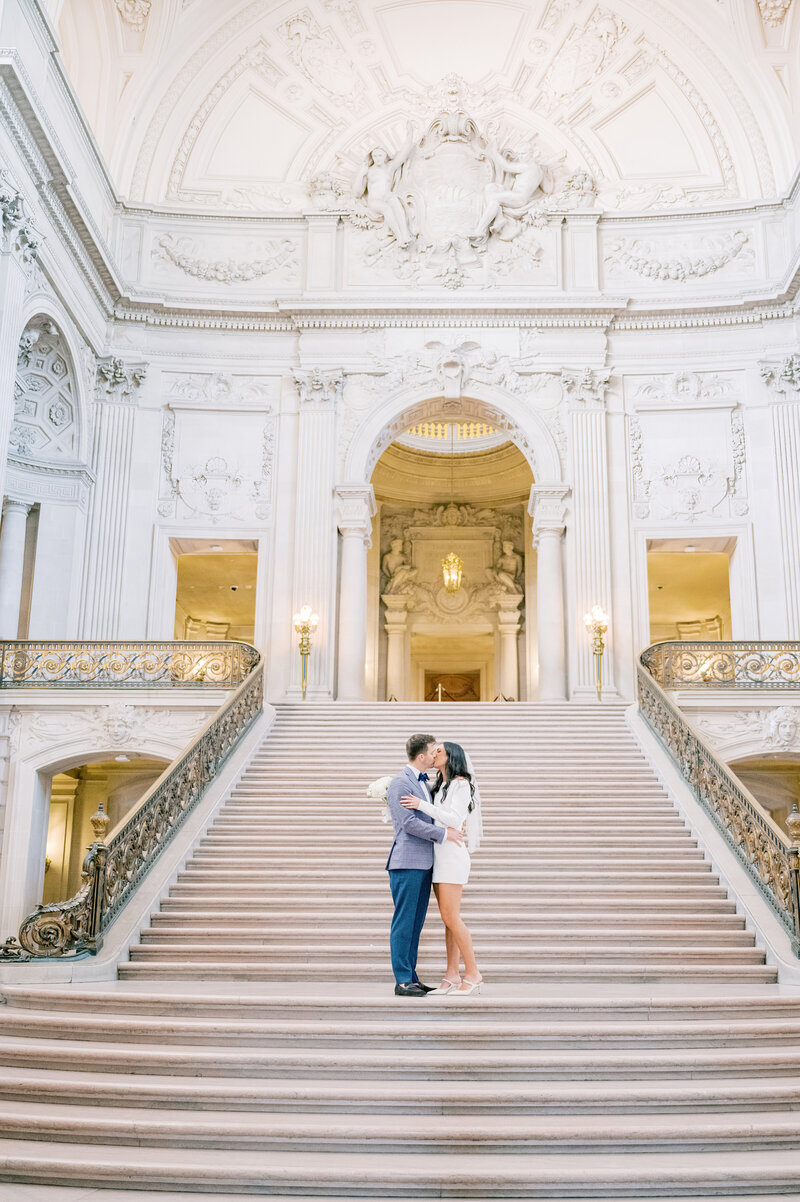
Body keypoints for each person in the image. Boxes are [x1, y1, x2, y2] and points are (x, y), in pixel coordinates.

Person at [385, 733, 465, 997]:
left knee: (416, 923)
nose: (435, 756)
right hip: (407, 862)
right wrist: (444, 834)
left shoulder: (427, 783)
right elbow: (407, 823)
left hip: (426, 863)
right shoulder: (400, 782)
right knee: (404, 921)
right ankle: (402, 980)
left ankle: (412, 976)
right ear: (421, 756)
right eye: (433, 751)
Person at [401, 741, 483, 994]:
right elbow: (439, 819)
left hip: (452, 857)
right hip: (439, 855)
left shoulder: (460, 784)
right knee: (448, 921)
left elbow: (454, 819)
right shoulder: (442, 785)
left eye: (440, 751)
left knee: (451, 917)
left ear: (451, 756)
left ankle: (473, 973)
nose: (434, 754)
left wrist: (420, 804)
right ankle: (451, 975)